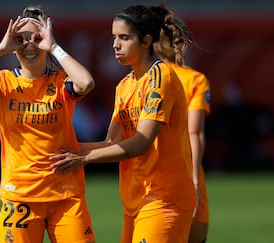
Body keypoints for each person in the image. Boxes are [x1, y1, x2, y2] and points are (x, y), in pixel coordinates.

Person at [0, 5, 96, 243]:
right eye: (21, 39)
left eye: (36, 38)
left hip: (66, 195)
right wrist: (1, 48)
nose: (28, 45)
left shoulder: (60, 82)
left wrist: (54, 47)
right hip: (20, 197)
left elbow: (86, 83)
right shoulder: (2, 83)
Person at [50, 3, 196, 243]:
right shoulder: (125, 85)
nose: (115, 45)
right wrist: (64, 148)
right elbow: (112, 142)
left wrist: (83, 159)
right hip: (135, 200)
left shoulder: (160, 77)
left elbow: (141, 143)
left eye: (124, 38)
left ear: (146, 41)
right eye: (114, 37)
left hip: (164, 199)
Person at [154, 17, 211, 243]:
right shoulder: (195, 79)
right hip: (186, 170)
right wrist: (195, 181)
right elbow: (194, 133)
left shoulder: (143, 79)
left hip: (151, 176)